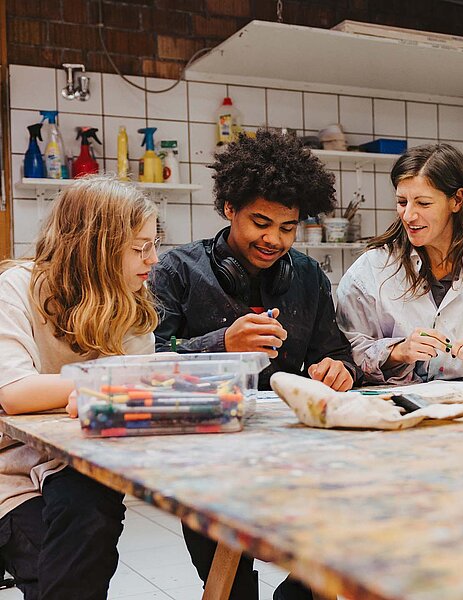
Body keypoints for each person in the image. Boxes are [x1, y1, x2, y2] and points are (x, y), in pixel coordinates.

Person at [149, 128, 357, 600]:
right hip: (206, 455)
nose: (274, 240)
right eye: (260, 223)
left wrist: (337, 369)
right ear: (229, 209)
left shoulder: (306, 275)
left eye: (287, 228)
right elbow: (147, 362)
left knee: (333, 565)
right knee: (233, 586)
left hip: (294, 454)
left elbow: (336, 352)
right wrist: (221, 342)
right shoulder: (176, 271)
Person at [0, 175, 159, 599]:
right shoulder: (18, 287)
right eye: (140, 247)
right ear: (97, 247)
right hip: (10, 469)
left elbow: (125, 397)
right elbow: (15, 393)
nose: (153, 258)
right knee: (46, 559)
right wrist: (102, 380)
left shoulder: (133, 308)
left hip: (77, 462)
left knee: (90, 519)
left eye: (153, 244)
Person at [336, 143, 463, 384]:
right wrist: (398, 351)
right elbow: (342, 353)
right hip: (396, 412)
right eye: (402, 202)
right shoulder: (370, 270)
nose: (409, 215)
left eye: (423, 203)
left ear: (457, 200)